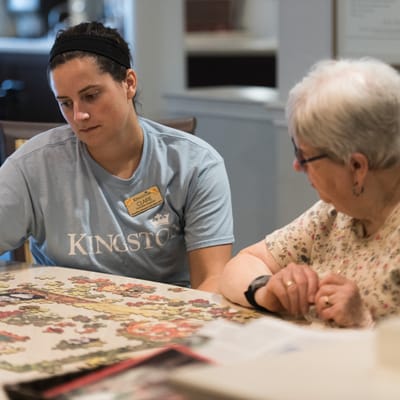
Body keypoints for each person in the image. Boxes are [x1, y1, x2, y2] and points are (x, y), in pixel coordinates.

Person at [0, 21, 234, 292]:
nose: (79, 115)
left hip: (164, 324)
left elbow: (211, 282)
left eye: (91, 95)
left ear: (129, 83)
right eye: (65, 103)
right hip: (60, 317)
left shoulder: (196, 164)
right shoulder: (34, 165)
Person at [220, 57, 400, 328]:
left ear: (357, 167)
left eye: (305, 157)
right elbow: (242, 264)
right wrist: (268, 290)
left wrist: (363, 323)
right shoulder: (336, 212)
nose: (296, 166)